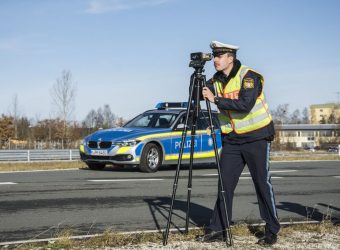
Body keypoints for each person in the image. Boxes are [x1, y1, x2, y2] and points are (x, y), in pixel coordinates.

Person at [198, 41, 280, 246]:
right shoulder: (215, 80)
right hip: (232, 140)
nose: (215, 60)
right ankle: (218, 228)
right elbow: (197, 97)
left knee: (262, 184)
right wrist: (196, 76)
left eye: (219, 56)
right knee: (224, 185)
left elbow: (244, 105)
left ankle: (271, 230)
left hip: (256, 137)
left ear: (230, 58)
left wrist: (215, 100)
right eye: (213, 56)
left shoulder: (249, 76)